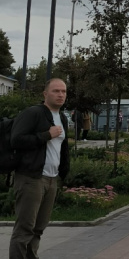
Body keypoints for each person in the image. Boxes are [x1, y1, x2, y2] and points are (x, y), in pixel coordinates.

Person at [9, 78, 70, 259]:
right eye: (56, 91)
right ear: (45, 94)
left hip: (51, 179)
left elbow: (63, 147)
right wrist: (46, 135)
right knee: (24, 230)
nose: (60, 95)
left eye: (63, 91)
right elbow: (16, 140)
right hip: (31, 178)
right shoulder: (33, 113)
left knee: (38, 229)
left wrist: (64, 172)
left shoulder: (63, 118)